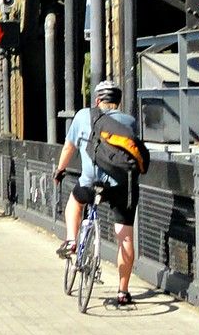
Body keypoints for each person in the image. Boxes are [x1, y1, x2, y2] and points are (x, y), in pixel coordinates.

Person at [54, 79, 143, 306]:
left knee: (75, 202)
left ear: (97, 100)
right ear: (118, 101)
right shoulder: (129, 121)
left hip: (90, 183)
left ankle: (72, 241)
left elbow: (68, 148)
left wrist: (60, 170)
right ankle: (123, 292)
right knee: (125, 237)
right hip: (121, 186)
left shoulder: (84, 116)